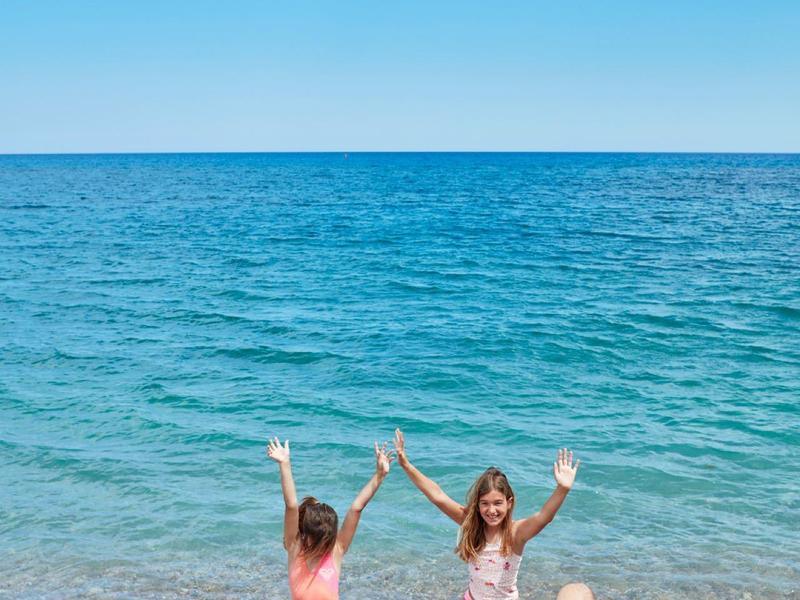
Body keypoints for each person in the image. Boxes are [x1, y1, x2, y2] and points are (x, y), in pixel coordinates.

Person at [393, 429, 580, 600]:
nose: (491, 510)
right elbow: (438, 496)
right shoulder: (472, 523)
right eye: (485, 504)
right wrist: (406, 465)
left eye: (498, 503)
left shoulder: (515, 533)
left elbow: (543, 517)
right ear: (477, 505)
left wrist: (562, 489)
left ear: (509, 503)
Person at [267, 437, 393, 600]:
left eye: (329, 538)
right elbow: (291, 505)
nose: (325, 543)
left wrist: (379, 475)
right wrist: (284, 463)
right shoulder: (295, 547)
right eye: (321, 538)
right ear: (306, 533)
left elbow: (356, 508)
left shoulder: (336, 549)